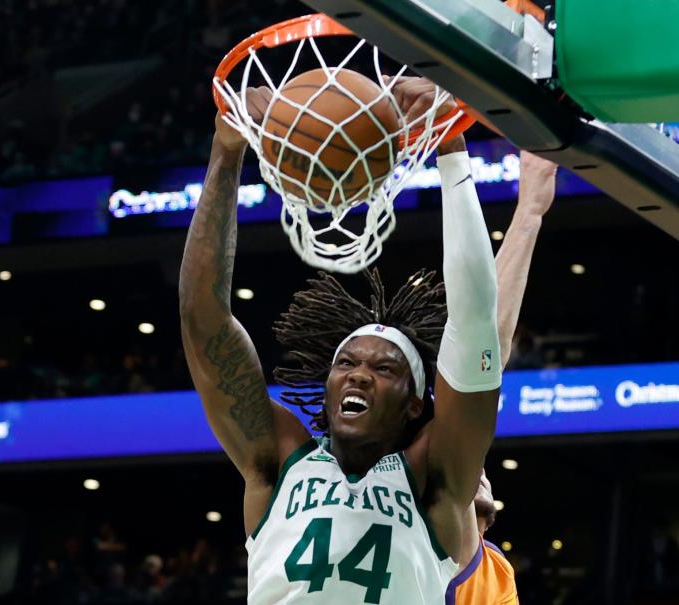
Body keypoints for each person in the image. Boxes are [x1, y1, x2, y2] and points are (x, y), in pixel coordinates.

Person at [179, 76, 502, 603]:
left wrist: (450, 148)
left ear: (415, 403)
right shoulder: (277, 458)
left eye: (384, 369)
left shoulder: (433, 477)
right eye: (347, 362)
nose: (358, 373)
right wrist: (226, 152)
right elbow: (203, 319)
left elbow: (474, 323)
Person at [448, 151, 559, 605]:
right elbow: (483, 347)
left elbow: (483, 349)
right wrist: (529, 210)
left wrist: (531, 207)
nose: (482, 474)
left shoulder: (497, 576)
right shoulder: (418, 525)